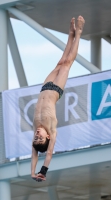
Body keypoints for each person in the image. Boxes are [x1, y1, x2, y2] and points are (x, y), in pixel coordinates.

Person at [31, 16, 85, 182]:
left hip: (45, 87)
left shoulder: (36, 127)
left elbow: (34, 153)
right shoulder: (52, 130)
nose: (37, 135)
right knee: (68, 63)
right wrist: (43, 171)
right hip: (56, 90)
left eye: (35, 137)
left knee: (60, 61)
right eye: (40, 137)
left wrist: (32, 173)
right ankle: (79, 32)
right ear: (47, 137)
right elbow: (48, 152)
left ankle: (70, 35)